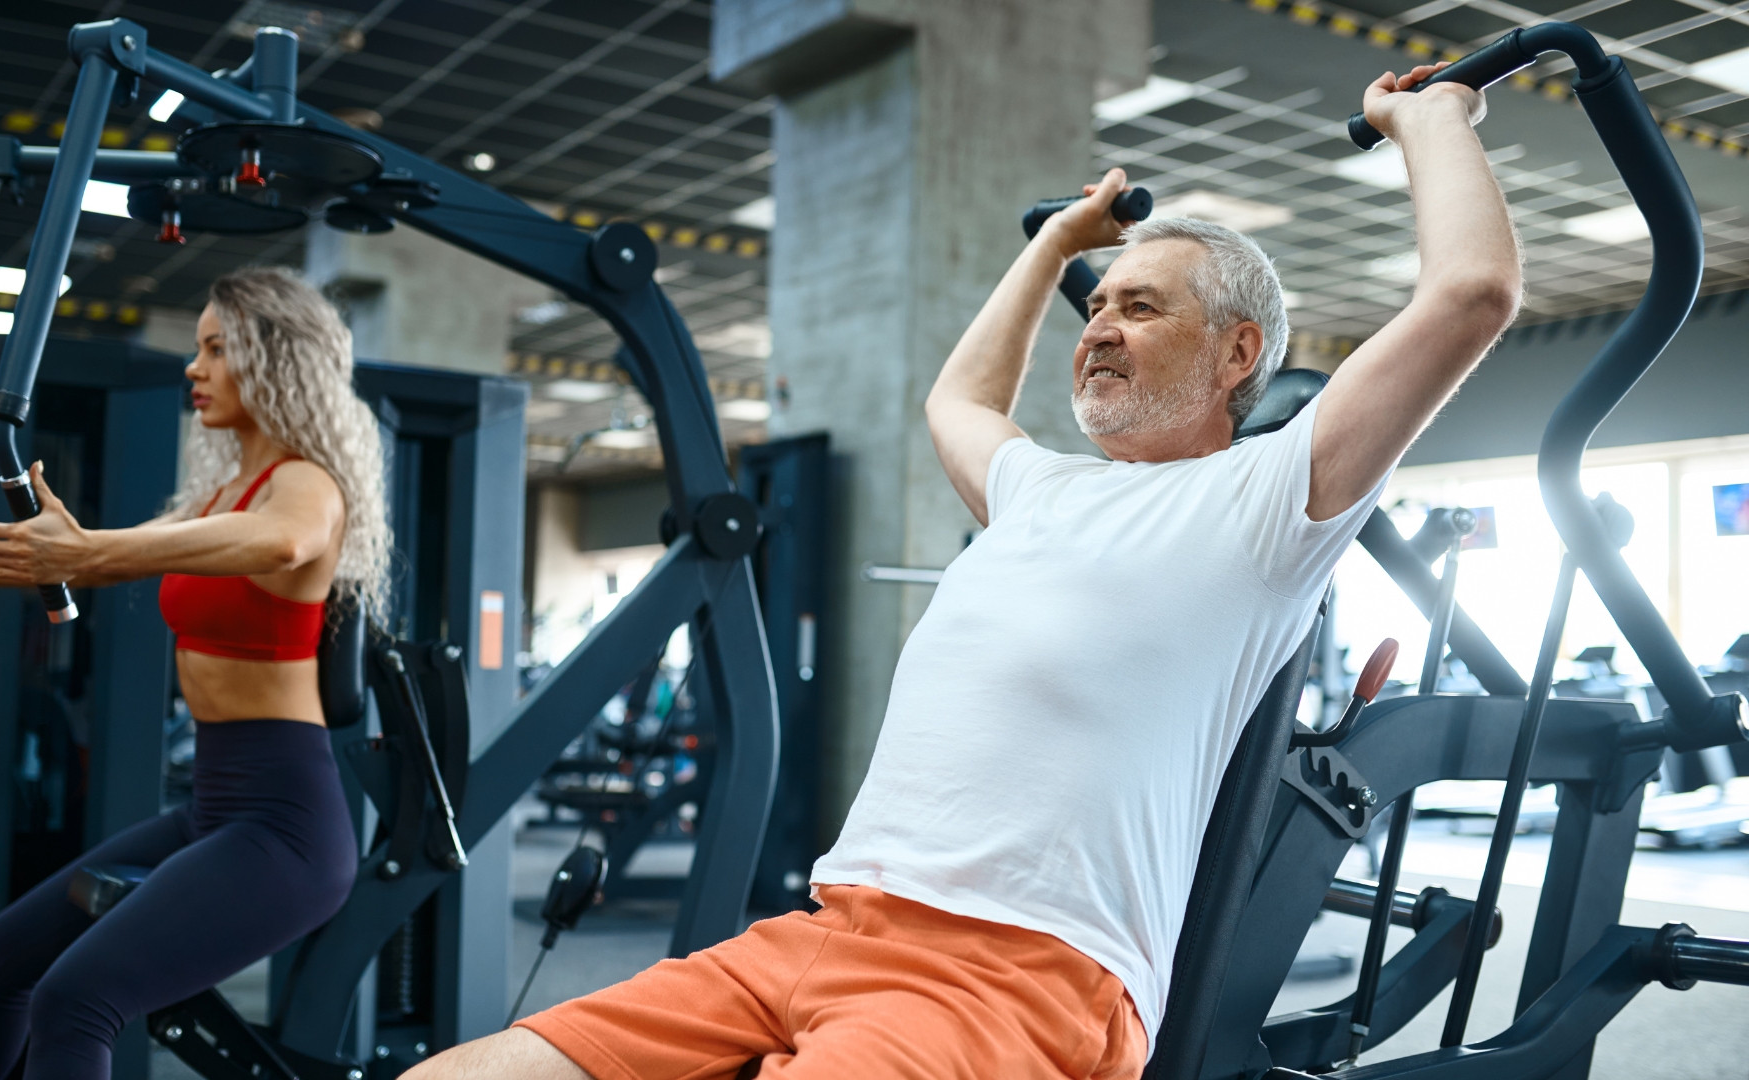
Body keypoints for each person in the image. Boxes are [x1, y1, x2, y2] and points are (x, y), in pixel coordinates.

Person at [408, 61, 1522, 1080]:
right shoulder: (1039, 489)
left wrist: (1431, 119)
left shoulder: (1270, 500)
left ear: (1238, 354)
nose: (1099, 328)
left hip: (1016, 977)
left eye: (1141, 307)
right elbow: (959, 402)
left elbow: (1469, 295)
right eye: (1096, 310)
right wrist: (1051, 250)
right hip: (823, 932)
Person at [0, 267, 391, 1079]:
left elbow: (282, 543)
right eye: (198, 348)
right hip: (214, 808)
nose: (195, 367)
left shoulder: (306, 485)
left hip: (285, 825)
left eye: (218, 349)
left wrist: (91, 548)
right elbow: (97, 564)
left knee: (76, 1000)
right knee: (2, 955)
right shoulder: (221, 494)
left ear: (277, 361)